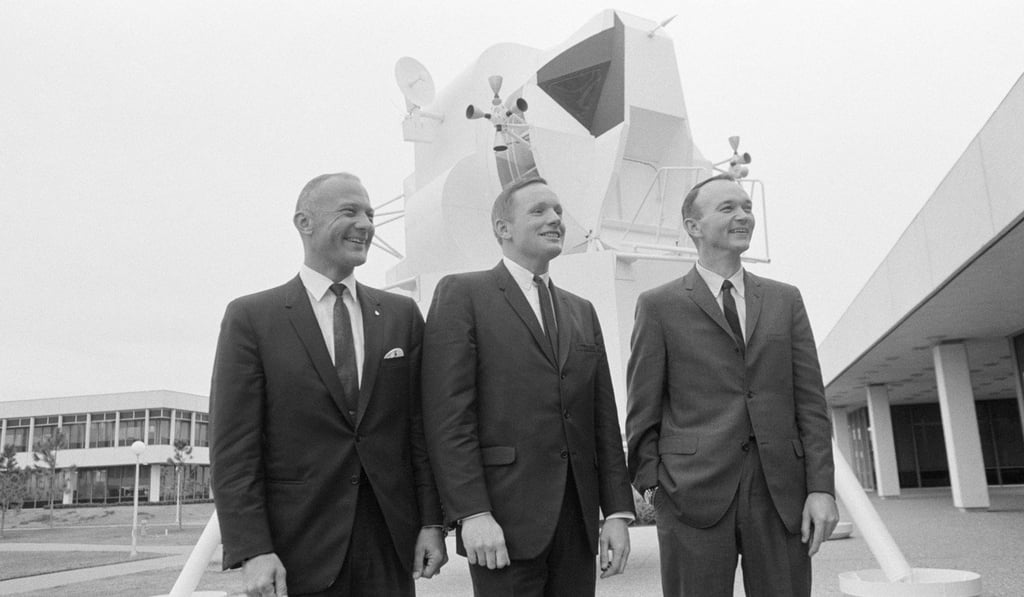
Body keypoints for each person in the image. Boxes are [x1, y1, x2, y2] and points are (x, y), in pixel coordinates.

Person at [210, 172, 447, 597]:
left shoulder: (401, 315)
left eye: (371, 214)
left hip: (389, 546)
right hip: (296, 551)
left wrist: (431, 523)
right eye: (350, 211)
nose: (367, 224)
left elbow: (418, 430)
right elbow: (234, 448)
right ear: (304, 222)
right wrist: (253, 549)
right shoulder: (252, 318)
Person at [626, 174, 838, 596]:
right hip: (690, 495)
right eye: (728, 208)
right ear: (693, 226)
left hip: (782, 495)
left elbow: (811, 402)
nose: (744, 215)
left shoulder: (786, 300)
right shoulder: (658, 306)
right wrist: (656, 487)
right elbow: (642, 410)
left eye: (746, 207)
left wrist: (820, 488)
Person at [421, 177, 635, 596]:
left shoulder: (581, 311)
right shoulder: (463, 294)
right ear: (503, 228)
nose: (555, 218)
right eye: (538, 211)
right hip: (501, 525)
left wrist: (617, 513)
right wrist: (472, 514)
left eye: (557, 211)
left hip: (575, 526)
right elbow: (448, 419)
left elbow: (602, 423)